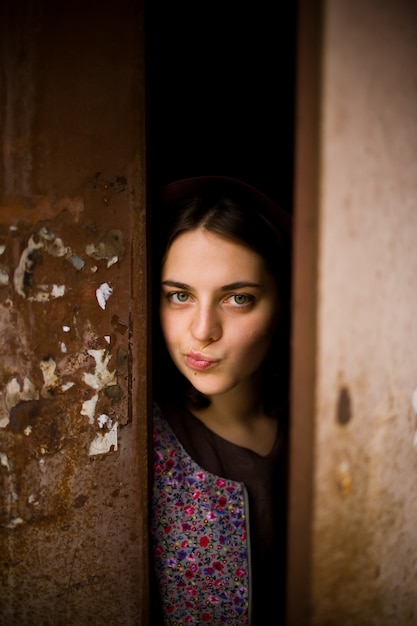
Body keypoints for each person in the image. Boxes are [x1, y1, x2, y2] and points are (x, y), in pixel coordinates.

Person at [151, 176, 292, 625]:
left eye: (237, 298)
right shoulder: (136, 442)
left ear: (284, 301)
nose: (202, 330)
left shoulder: (333, 431)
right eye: (180, 296)